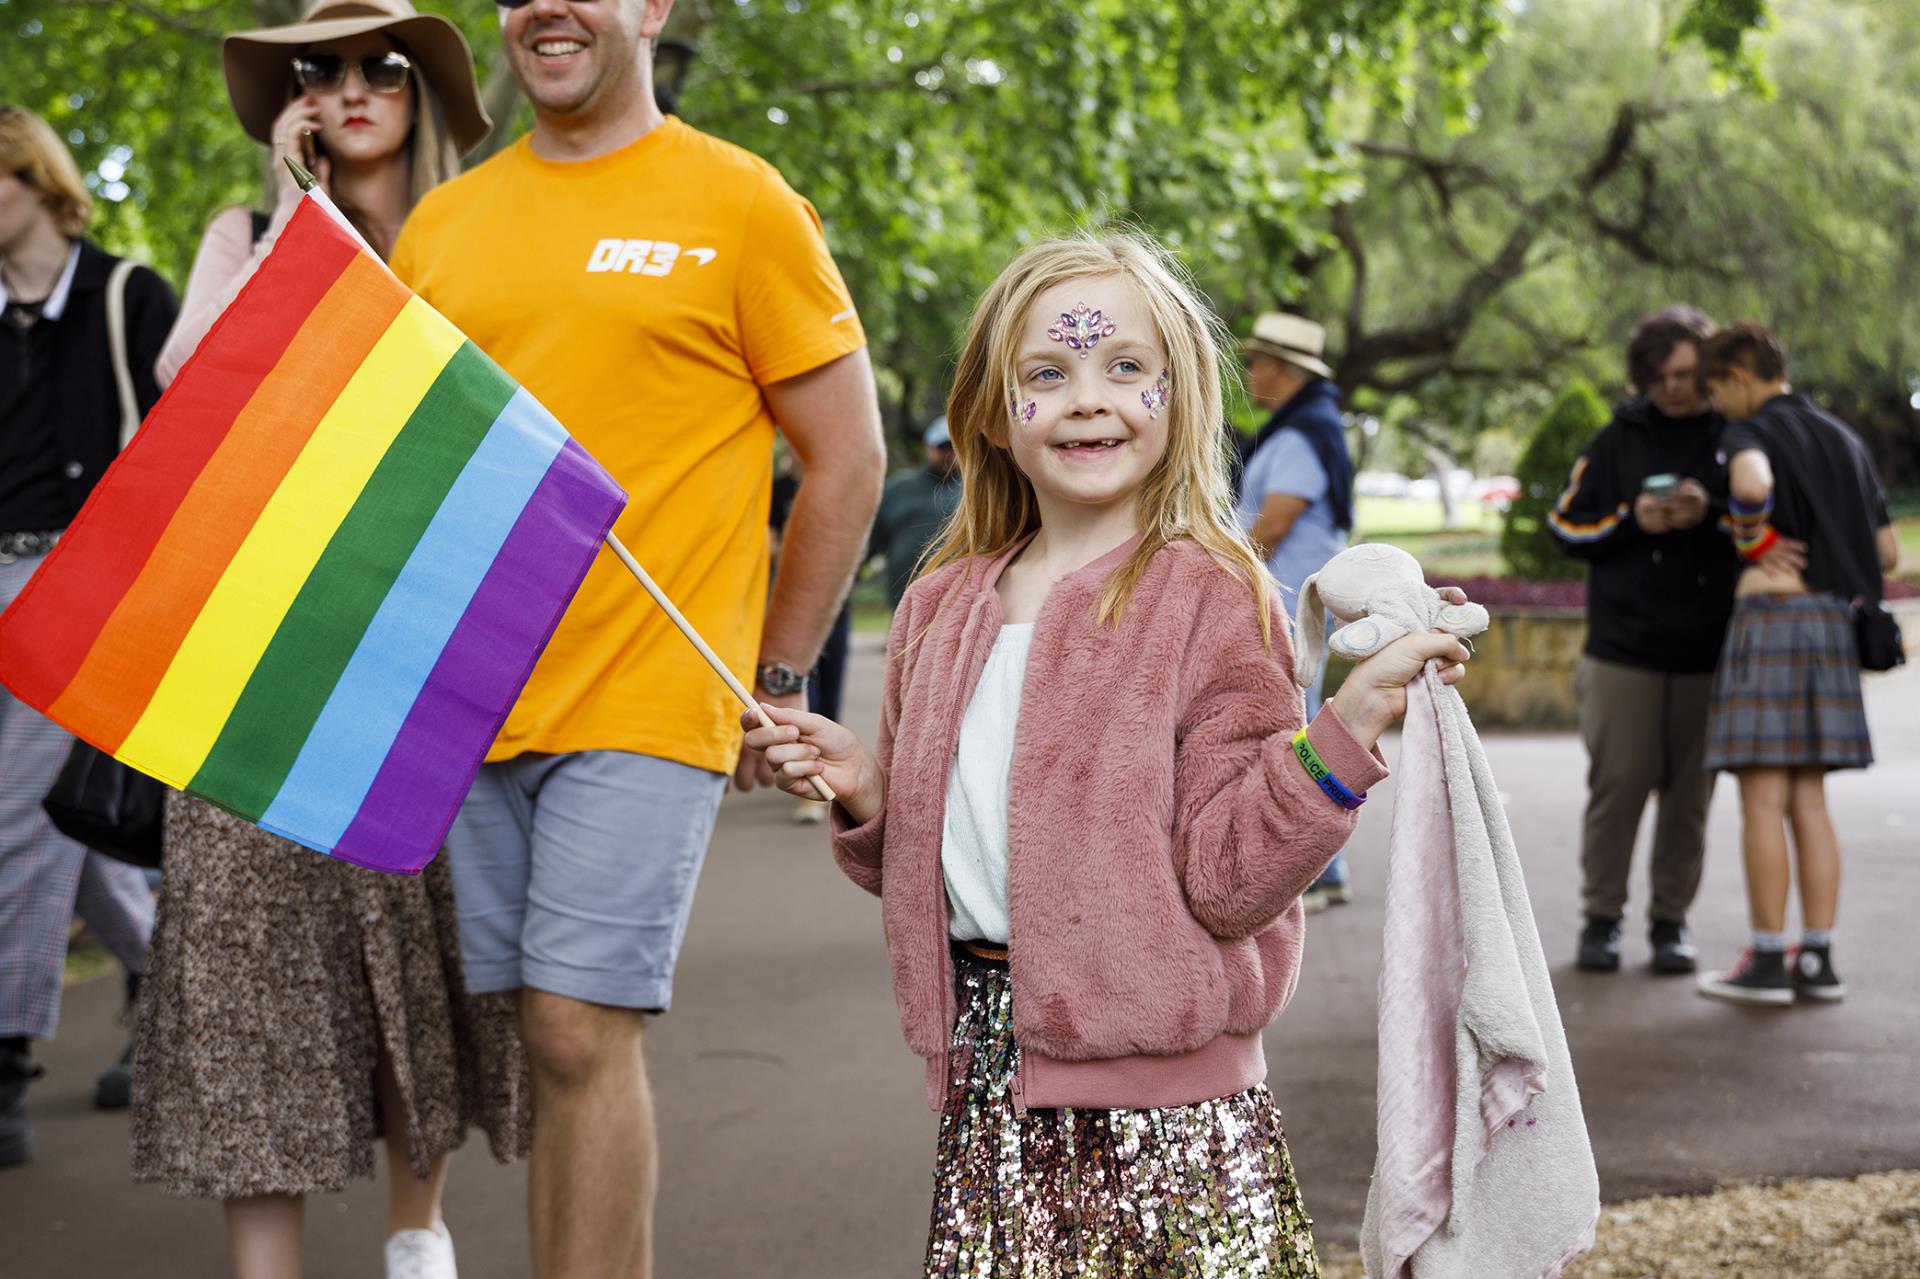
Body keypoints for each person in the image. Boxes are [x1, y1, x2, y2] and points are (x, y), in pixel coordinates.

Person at [742, 233, 1471, 1276]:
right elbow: (935, 865)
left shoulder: (1212, 595)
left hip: (1176, 1115)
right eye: (1049, 372)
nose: (1090, 398)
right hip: (990, 1092)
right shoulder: (938, 610)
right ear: (994, 412)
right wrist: (865, 786)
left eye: (1126, 367)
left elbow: (1230, 879)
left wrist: (1341, 736)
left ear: (1181, 397)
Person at [388, 0, 886, 1272]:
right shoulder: (442, 224)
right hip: (472, 698)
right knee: (536, 1041)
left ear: (654, 7)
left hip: (652, 685)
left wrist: (769, 678)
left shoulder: (742, 203)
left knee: (573, 1028)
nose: (548, 8)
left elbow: (848, 458)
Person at [129, 7, 526, 1278]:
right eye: (321, 69)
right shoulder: (246, 238)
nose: (351, 89)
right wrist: (289, 215)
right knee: (249, 981)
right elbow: (187, 389)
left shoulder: (471, 238)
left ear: (423, 92)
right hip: (251, 658)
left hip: (416, 659)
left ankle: (418, 1235)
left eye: (380, 68)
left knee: (415, 963)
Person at [0, 104, 175, 1168]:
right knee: (64, 819)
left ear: (35, 181)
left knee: (18, 821)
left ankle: (5, 1059)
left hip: (89, 587)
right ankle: (167, 975)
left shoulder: (126, 295)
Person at [1694, 323, 1898, 1007]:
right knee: (1811, 798)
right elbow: (1888, 552)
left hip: (1772, 620)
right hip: (1831, 627)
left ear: (1741, 373)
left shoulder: (1751, 432)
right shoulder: (1846, 439)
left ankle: (1767, 961)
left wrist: (1759, 538)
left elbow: (1750, 483)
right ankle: (1818, 957)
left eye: (1716, 387)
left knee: (1762, 797)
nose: (1716, 404)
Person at [1549, 306, 1738, 975]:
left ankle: (1670, 923)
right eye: (1660, 375)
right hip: (1623, 649)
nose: (1675, 387)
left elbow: (1760, 526)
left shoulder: (1732, 437)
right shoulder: (1617, 438)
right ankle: (1601, 919)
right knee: (1619, 786)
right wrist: (1633, 519)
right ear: (1643, 376)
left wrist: (1708, 513)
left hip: (1707, 651)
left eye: (1686, 373)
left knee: (1691, 797)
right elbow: (1564, 526)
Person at [1236, 310, 1357, 911]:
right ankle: (1326, 867)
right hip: (1289, 602)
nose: (1251, 371)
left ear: (1281, 369)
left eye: (1258, 360)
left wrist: (1229, 584)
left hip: (1287, 605)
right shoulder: (1305, 426)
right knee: (1300, 724)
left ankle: (1319, 867)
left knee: (1298, 728)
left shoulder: (1304, 434)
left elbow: (1273, 525)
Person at [868, 415, 962, 609]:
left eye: (955, 446)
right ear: (928, 447)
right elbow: (872, 542)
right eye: (943, 446)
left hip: (958, 603)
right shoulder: (897, 489)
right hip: (904, 604)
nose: (949, 453)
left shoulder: (975, 490)